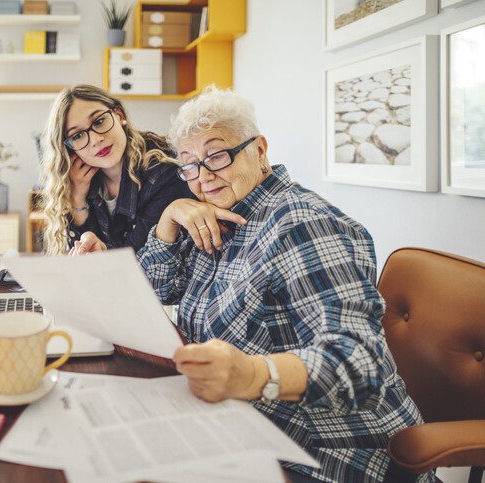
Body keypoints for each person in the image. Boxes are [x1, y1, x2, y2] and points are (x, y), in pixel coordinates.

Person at [137, 87, 434, 483]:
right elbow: (158, 291)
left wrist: (252, 374)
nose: (203, 177)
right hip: (244, 427)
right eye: (190, 165)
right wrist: (169, 220)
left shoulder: (302, 224)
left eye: (217, 155)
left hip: (328, 454)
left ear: (259, 150)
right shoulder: (222, 217)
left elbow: (361, 361)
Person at [41, 85, 190, 255]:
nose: (96, 140)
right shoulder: (82, 180)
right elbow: (85, 257)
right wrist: (77, 199)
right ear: (69, 149)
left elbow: (138, 260)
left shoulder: (163, 172)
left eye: (99, 121)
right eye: (77, 136)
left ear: (119, 116)